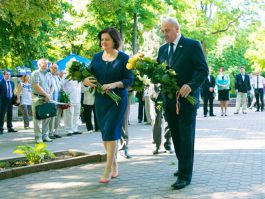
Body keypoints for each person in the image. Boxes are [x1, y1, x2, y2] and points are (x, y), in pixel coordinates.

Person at [158, 18, 208, 190]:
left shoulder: (192, 45)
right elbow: (160, 73)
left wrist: (191, 85)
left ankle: (185, 176)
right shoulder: (162, 50)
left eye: (168, 30)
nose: (165, 34)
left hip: (187, 101)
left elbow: (203, 70)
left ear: (177, 29)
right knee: (177, 136)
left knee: (186, 137)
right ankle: (182, 167)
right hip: (169, 101)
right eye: (163, 30)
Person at [83, 27, 133, 184]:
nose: (103, 42)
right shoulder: (96, 57)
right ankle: (115, 164)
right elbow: (87, 75)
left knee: (111, 131)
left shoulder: (124, 58)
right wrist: (85, 81)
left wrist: (113, 84)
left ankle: (107, 169)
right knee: (105, 132)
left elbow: (129, 80)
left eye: (107, 39)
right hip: (101, 100)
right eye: (102, 39)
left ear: (114, 41)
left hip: (117, 100)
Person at [31, 58, 54, 143]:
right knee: (37, 118)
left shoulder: (49, 74)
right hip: (38, 98)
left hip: (47, 98)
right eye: (44, 63)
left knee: (47, 117)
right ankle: (38, 137)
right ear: (39, 64)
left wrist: (49, 95)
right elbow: (36, 86)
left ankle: (45, 136)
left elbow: (52, 86)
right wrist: (46, 95)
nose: (46, 65)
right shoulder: (35, 73)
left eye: (47, 64)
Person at [48, 63, 62, 139]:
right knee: (51, 117)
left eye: (56, 68)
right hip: (51, 100)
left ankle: (55, 132)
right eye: (53, 68)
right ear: (50, 68)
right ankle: (50, 133)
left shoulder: (57, 77)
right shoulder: (48, 76)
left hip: (58, 100)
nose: (55, 69)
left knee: (58, 117)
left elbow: (60, 87)